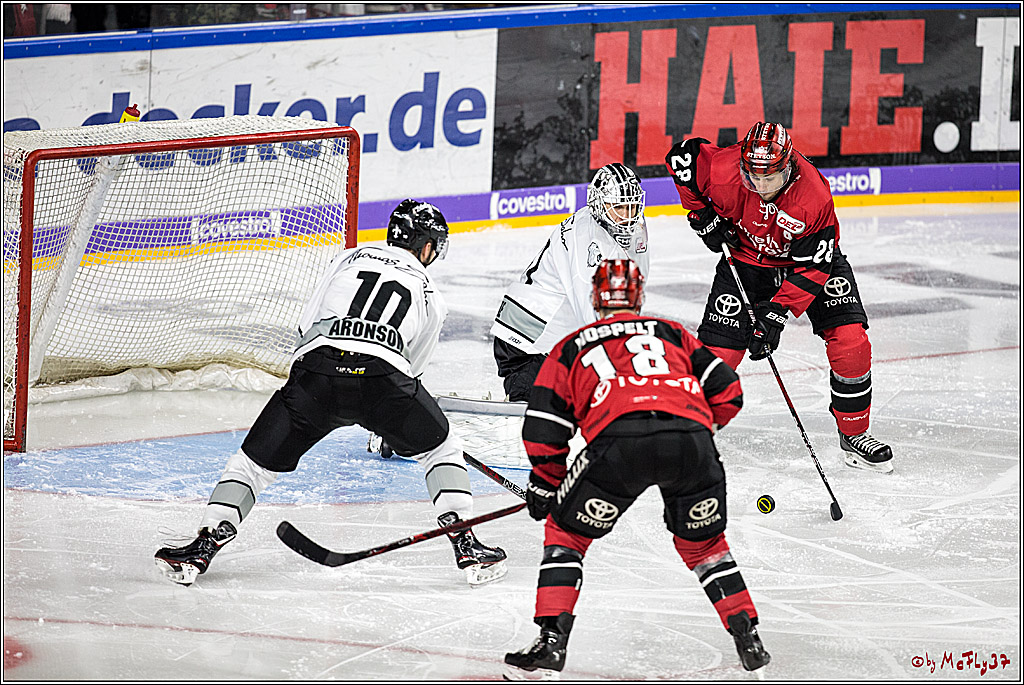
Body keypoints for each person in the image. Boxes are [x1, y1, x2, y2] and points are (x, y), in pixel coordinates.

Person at [154, 200, 508, 587]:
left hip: (316, 375)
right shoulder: (429, 291)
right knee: (441, 449)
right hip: (383, 379)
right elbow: (412, 370)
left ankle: (204, 544)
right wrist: (393, 425)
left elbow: (307, 325)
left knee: (251, 466)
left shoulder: (348, 258)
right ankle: (466, 543)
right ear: (426, 247)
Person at [503, 259, 770, 679]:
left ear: (595, 297)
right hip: (691, 444)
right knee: (704, 546)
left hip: (618, 447)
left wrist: (547, 483)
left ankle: (551, 643)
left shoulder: (572, 345)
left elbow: (544, 425)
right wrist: (696, 429)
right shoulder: (672, 333)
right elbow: (729, 390)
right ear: (639, 296)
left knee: (567, 534)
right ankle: (747, 636)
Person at [664, 122, 893, 473]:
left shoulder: (813, 194)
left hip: (806, 263)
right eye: (753, 175)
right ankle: (688, 436)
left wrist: (776, 313)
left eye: (770, 177)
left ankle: (854, 434)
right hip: (744, 261)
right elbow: (682, 159)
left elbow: (816, 268)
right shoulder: (725, 168)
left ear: (788, 166)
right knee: (717, 356)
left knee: (851, 342)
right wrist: (702, 217)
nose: (760, 185)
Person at [491, 162, 651, 401]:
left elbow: (634, 283)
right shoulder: (586, 240)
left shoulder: (633, 225)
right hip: (528, 342)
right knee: (538, 413)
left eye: (632, 206)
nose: (627, 216)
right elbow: (592, 312)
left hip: (554, 335)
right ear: (599, 203)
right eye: (619, 207)